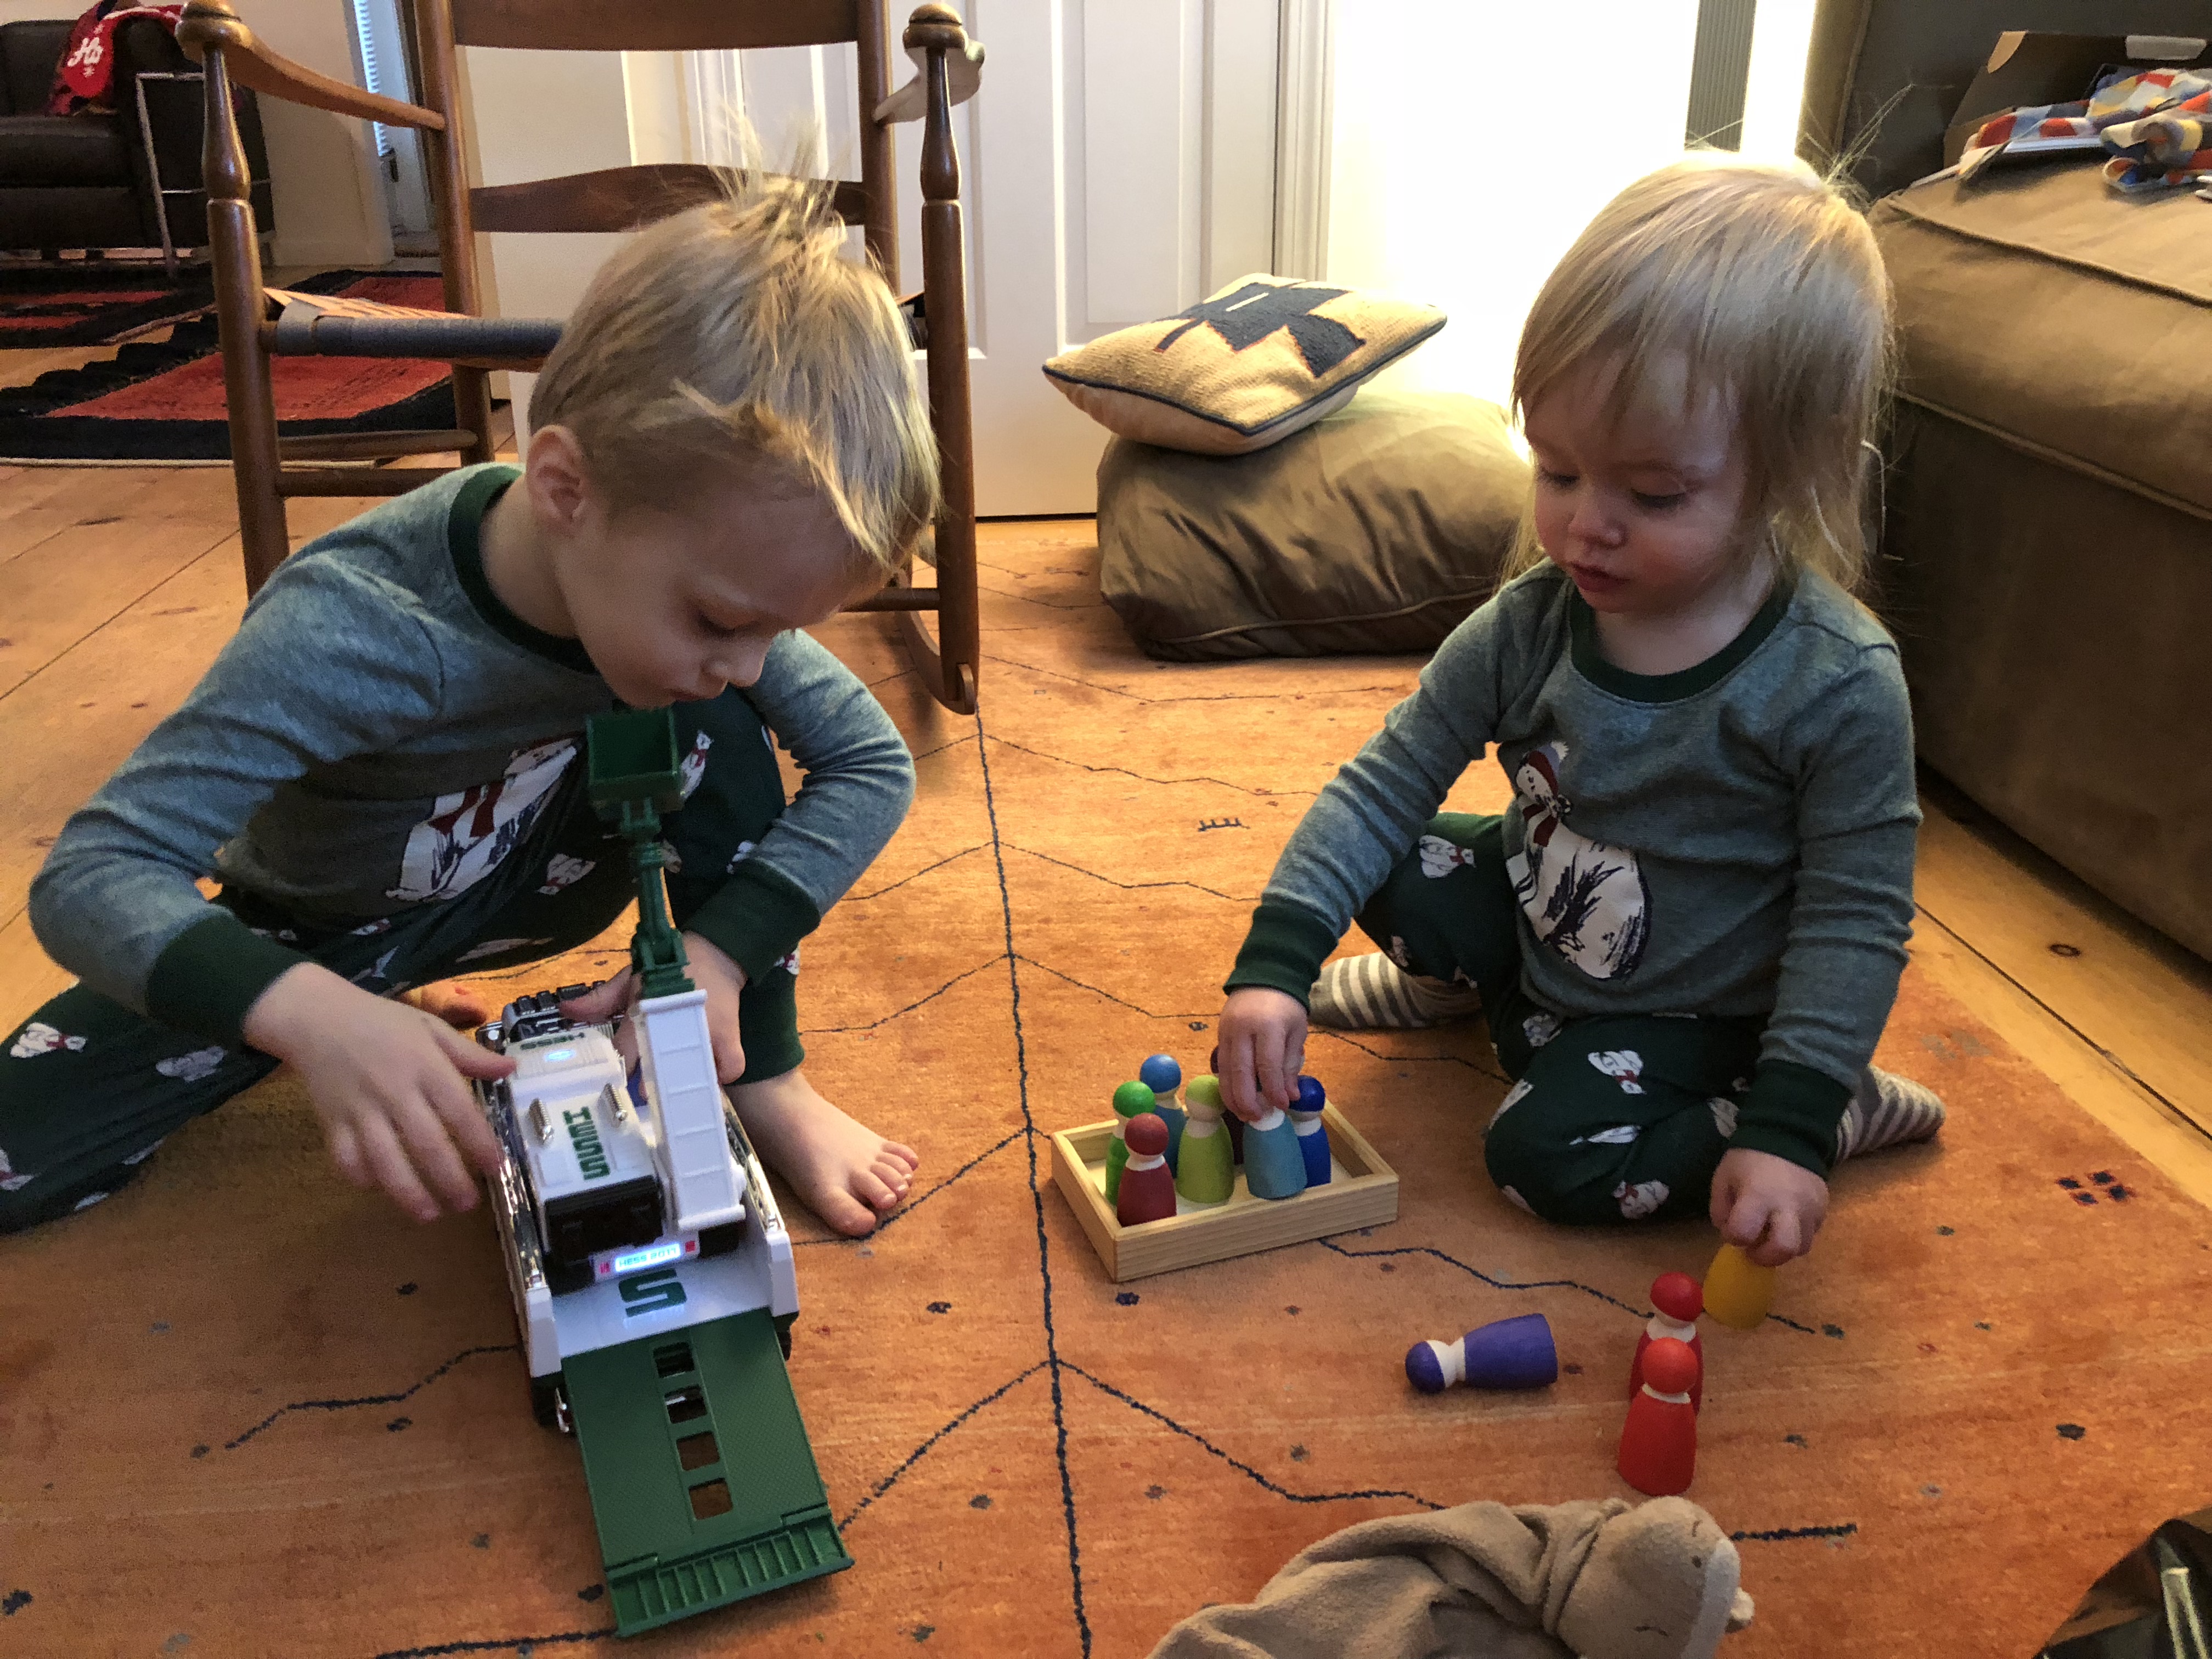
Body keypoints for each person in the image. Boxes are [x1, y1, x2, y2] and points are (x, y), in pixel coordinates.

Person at [4, 176, 933, 1240]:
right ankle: (373, 1003)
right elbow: (93, 874)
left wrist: (718, 957)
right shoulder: (357, 626)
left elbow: (870, 764)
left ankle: (760, 1071)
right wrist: (313, 1015)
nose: (752, 660)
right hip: (330, 925)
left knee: (707, 714)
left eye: (778, 628)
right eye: (725, 616)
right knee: (15, 1158)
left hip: (546, 879)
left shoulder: (692, 579)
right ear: (566, 488)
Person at [1213, 155, 1944, 1267]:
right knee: (1380, 853)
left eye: (1652, 494)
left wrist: (1791, 1123)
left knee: (1542, 1157)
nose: (1584, 526)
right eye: (1556, 472)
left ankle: (1826, 1106)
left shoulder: (1837, 683)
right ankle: (1464, 992)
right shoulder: (1528, 624)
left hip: (1697, 1017)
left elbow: (1855, 921)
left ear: (1791, 472)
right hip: (1545, 919)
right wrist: (1274, 964)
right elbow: (1380, 784)